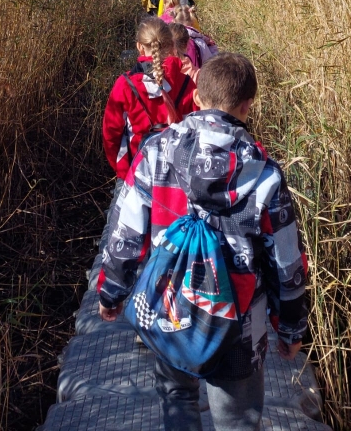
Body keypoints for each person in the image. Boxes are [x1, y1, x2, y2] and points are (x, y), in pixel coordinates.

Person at [97, 53, 309, 431]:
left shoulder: (156, 151)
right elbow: (286, 261)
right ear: (247, 105)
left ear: (195, 96)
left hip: (171, 309)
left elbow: (126, 231)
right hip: (238, 327)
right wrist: (290, 328)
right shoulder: (264, 174)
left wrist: (112, 291)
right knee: (236, 420)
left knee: (176, 396)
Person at [102, 17, 195, 183]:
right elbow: (196, 129)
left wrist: (121, 169)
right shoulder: (187, 84)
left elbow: (111, 134)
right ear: (172, 45)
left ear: (139, 46)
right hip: (176, 175)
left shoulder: (125, 84)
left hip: (135, 171)